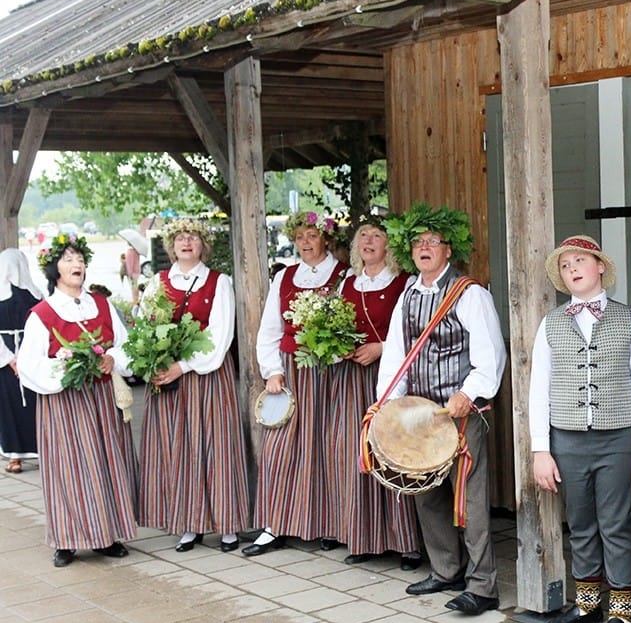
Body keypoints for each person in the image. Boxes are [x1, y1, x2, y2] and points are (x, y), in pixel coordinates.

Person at [530, 235, 631, 623]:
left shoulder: (627, 319)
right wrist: (540, 449)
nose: (573, 270)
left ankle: (622, 611)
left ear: (600, 266)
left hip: (619, 439)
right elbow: (539, 390)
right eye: (566, 265)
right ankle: (587, 604)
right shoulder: (551, 323)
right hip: (567, 439)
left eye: (580, 260)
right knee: (581, 522)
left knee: (617, 523)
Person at [377, 203, 507, 615]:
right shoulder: (408, 295)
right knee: (425, 491)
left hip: (462, 414)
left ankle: (483, 586)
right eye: (418, 242)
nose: (425, 248)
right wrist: (386, 404)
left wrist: (469, 393)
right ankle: (445, 569)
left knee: (468, 497)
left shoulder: (471, 294)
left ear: (449, 250)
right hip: (419, 413)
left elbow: (492, 355)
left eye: (433, 241)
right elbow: (398, 356)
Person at [17, 233, 137, 567]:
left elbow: (124, 344)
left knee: (105, 464)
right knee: (67, 469)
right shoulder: (42, 314)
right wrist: (65, 365)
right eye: (69, 259)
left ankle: (106, 535)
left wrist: (113, 358)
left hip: (100, 397)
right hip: (64, 404)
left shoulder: (100, 304)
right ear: (54, 268)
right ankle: (66, 540)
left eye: (80, 259)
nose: (77, 265)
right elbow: (29, 365)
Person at [138, 219, 248, 553]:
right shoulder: (157, 283)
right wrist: (155, 362)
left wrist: (182, 366)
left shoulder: (219, 282)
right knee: (179, 449)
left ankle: (227, 524)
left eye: (194, 238)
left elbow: (220, 335)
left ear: (203, 246)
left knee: (217, 447)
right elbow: (144, 327)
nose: (187, 243)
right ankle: (189, 524)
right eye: (181, 238)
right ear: (171, 246)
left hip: (207, 376)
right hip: (170, 381)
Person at [246, 210, 348, 556]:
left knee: (328, 447)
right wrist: (272, 370)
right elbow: (270, 329)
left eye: (313, 235)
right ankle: (275, 524)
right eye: (300, 236)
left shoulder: (344, 275)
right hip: (292, 369)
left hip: (332, 372)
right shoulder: (285, 277)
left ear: (326, 239)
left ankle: (331, 524)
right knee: (280, 450)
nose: (306, 242)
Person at [333, 214, 422, 568]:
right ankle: (364, 536)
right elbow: (338, 323)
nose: (368, 241)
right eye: (363, 236)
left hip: (391, 375)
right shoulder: (348, 282)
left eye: (376, 235)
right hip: (353, 380)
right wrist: (339, 345)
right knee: (357, 452)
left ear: (389, 245)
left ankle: (407, 542)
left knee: (394, 449)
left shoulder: (405, 282)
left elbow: (415, 330)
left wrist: (381, 348)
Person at [0, 247, 43, 474]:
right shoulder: (36, 294)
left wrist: (16, 360)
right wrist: (10, 359)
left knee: (28, 405)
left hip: (25, 356)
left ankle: (22, 456)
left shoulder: (35, 294)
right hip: (14, 358)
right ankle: (17, 454)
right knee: (14, 407)